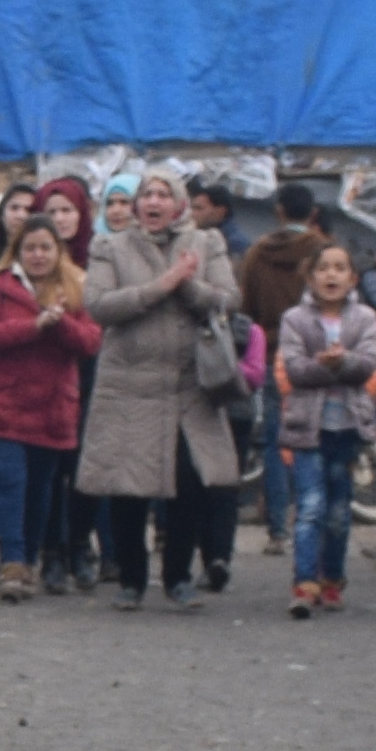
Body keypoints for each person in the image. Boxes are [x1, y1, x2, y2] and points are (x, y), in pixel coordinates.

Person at [75, 170, 247, 604]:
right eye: (145, 195)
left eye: (162, 195)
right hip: (129, 384)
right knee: (128, 485)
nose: (152, 202)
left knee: (189, 482)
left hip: (189, 385)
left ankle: (178, 578)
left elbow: (230, 299)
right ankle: (132, 579)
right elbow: (99, 305)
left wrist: (188, 284)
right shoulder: (109, 246)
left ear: (179, 205)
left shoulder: (207, 243)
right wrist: (162, 285)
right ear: (135, 206)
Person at [0, 212, 98, 597]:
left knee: (40, 489)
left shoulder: (77, 287)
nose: (38, 255)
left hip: (53, 408)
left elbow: (90, 341)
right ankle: (13, 563)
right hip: (2, 405)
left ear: (59, 251)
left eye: (45, 248)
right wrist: (34, 325)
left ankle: (30, 558)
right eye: (30, 248)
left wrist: (60, 323)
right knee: (9, 481)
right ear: (17, 251)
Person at [272, 239, 376, 612]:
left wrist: (344, 362)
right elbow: (295, 369)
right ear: (311, 276)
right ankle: (304, 584)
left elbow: (368, 364)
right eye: (323, 268)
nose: (331, 275)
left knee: (338, 511)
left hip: (348, 428)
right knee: (310, 507)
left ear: (353, 278)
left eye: (339, 268)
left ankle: (332, 577)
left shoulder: (364, 318)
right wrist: (329, 366)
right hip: (308, 427)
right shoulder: (295, 319)